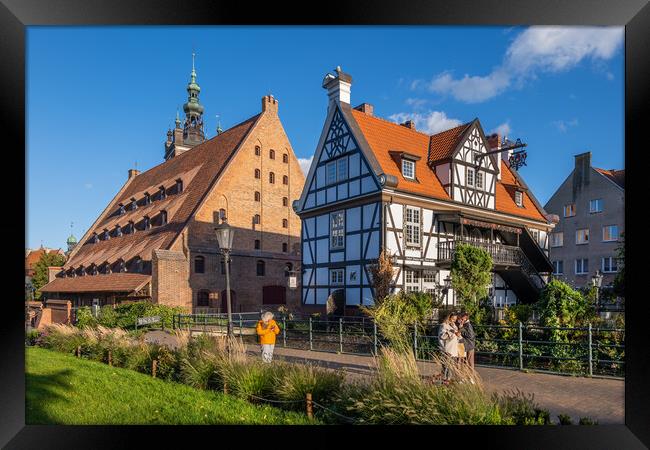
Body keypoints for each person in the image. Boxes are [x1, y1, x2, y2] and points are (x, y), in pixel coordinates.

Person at [438, 311, 461, 381]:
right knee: (446, 366)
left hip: (453, 349)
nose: (454, 321)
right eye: (453, 319)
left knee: (451, 366)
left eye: (455, 319)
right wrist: (451, 332)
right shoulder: (443, 325)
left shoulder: (454, 325)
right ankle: (444, 379)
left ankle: (448, 380)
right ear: (449, 318)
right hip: (447, 349)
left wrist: (458, 334)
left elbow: (457, 336)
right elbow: (442, 336)